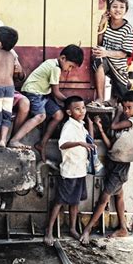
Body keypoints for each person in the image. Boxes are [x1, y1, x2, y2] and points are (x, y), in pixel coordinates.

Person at [79, 91, 133, 245]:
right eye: (125, 107)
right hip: (112, 161)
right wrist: (101, 129)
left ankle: (88, 229)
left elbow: (115, 125)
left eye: (129, 107)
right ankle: (123, 228)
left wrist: (118, 111)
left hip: (121, 166)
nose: (127, 110)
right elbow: (111, 146)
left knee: (104, 197)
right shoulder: (125, 128)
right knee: (119, 195)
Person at [8, 44, 85, 163]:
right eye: (70, 66)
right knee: (41, 116)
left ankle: (42, 143)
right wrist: (71, 103)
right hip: (32, 92)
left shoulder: (53, 63)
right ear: (63, 58)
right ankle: (14, 140)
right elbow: (56, 92)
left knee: (59, 115)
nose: (69, 70)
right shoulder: (55, 68)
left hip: (43, 94)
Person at [44, 96, 94, 246]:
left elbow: (88, 139)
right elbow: (63, 144)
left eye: (83, 108)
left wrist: (91, 125)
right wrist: (79, 143)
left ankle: (72, 228)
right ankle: (49, 231)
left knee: (75, 202)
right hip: (70, 171)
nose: (82, 111)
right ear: (69, 112)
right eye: (77, 109)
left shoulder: (80, 125)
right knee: (59, 202)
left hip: (80, 170)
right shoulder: (69, 126)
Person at [89, 0, 133, 107]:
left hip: (119, 68)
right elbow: (99, 43)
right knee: (97, 58)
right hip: (106, 61)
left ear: (126, 10)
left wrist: (106, 53)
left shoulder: (128, 29)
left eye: (122, 7)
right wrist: (101, 24)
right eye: (114, 6)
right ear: (109, 9)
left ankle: (115, 97)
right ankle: (100, 98)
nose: (118, 10)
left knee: (123, 99)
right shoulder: (106, 23)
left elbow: (123, 53)